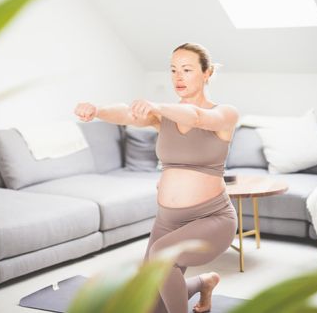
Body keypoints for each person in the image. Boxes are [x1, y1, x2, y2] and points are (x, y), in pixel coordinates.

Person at [74, 42, 238, 313]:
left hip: (212, 219)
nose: (178, 77)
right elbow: (127, 113)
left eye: (187, 70)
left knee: (162, 255)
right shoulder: (163, 117)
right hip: (167, 221)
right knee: (148, 305)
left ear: (207, 73)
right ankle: (203, 283)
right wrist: (98, 110)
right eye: (173, 70)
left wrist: (156, 106)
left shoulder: (225, 114)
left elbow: (197, 117)